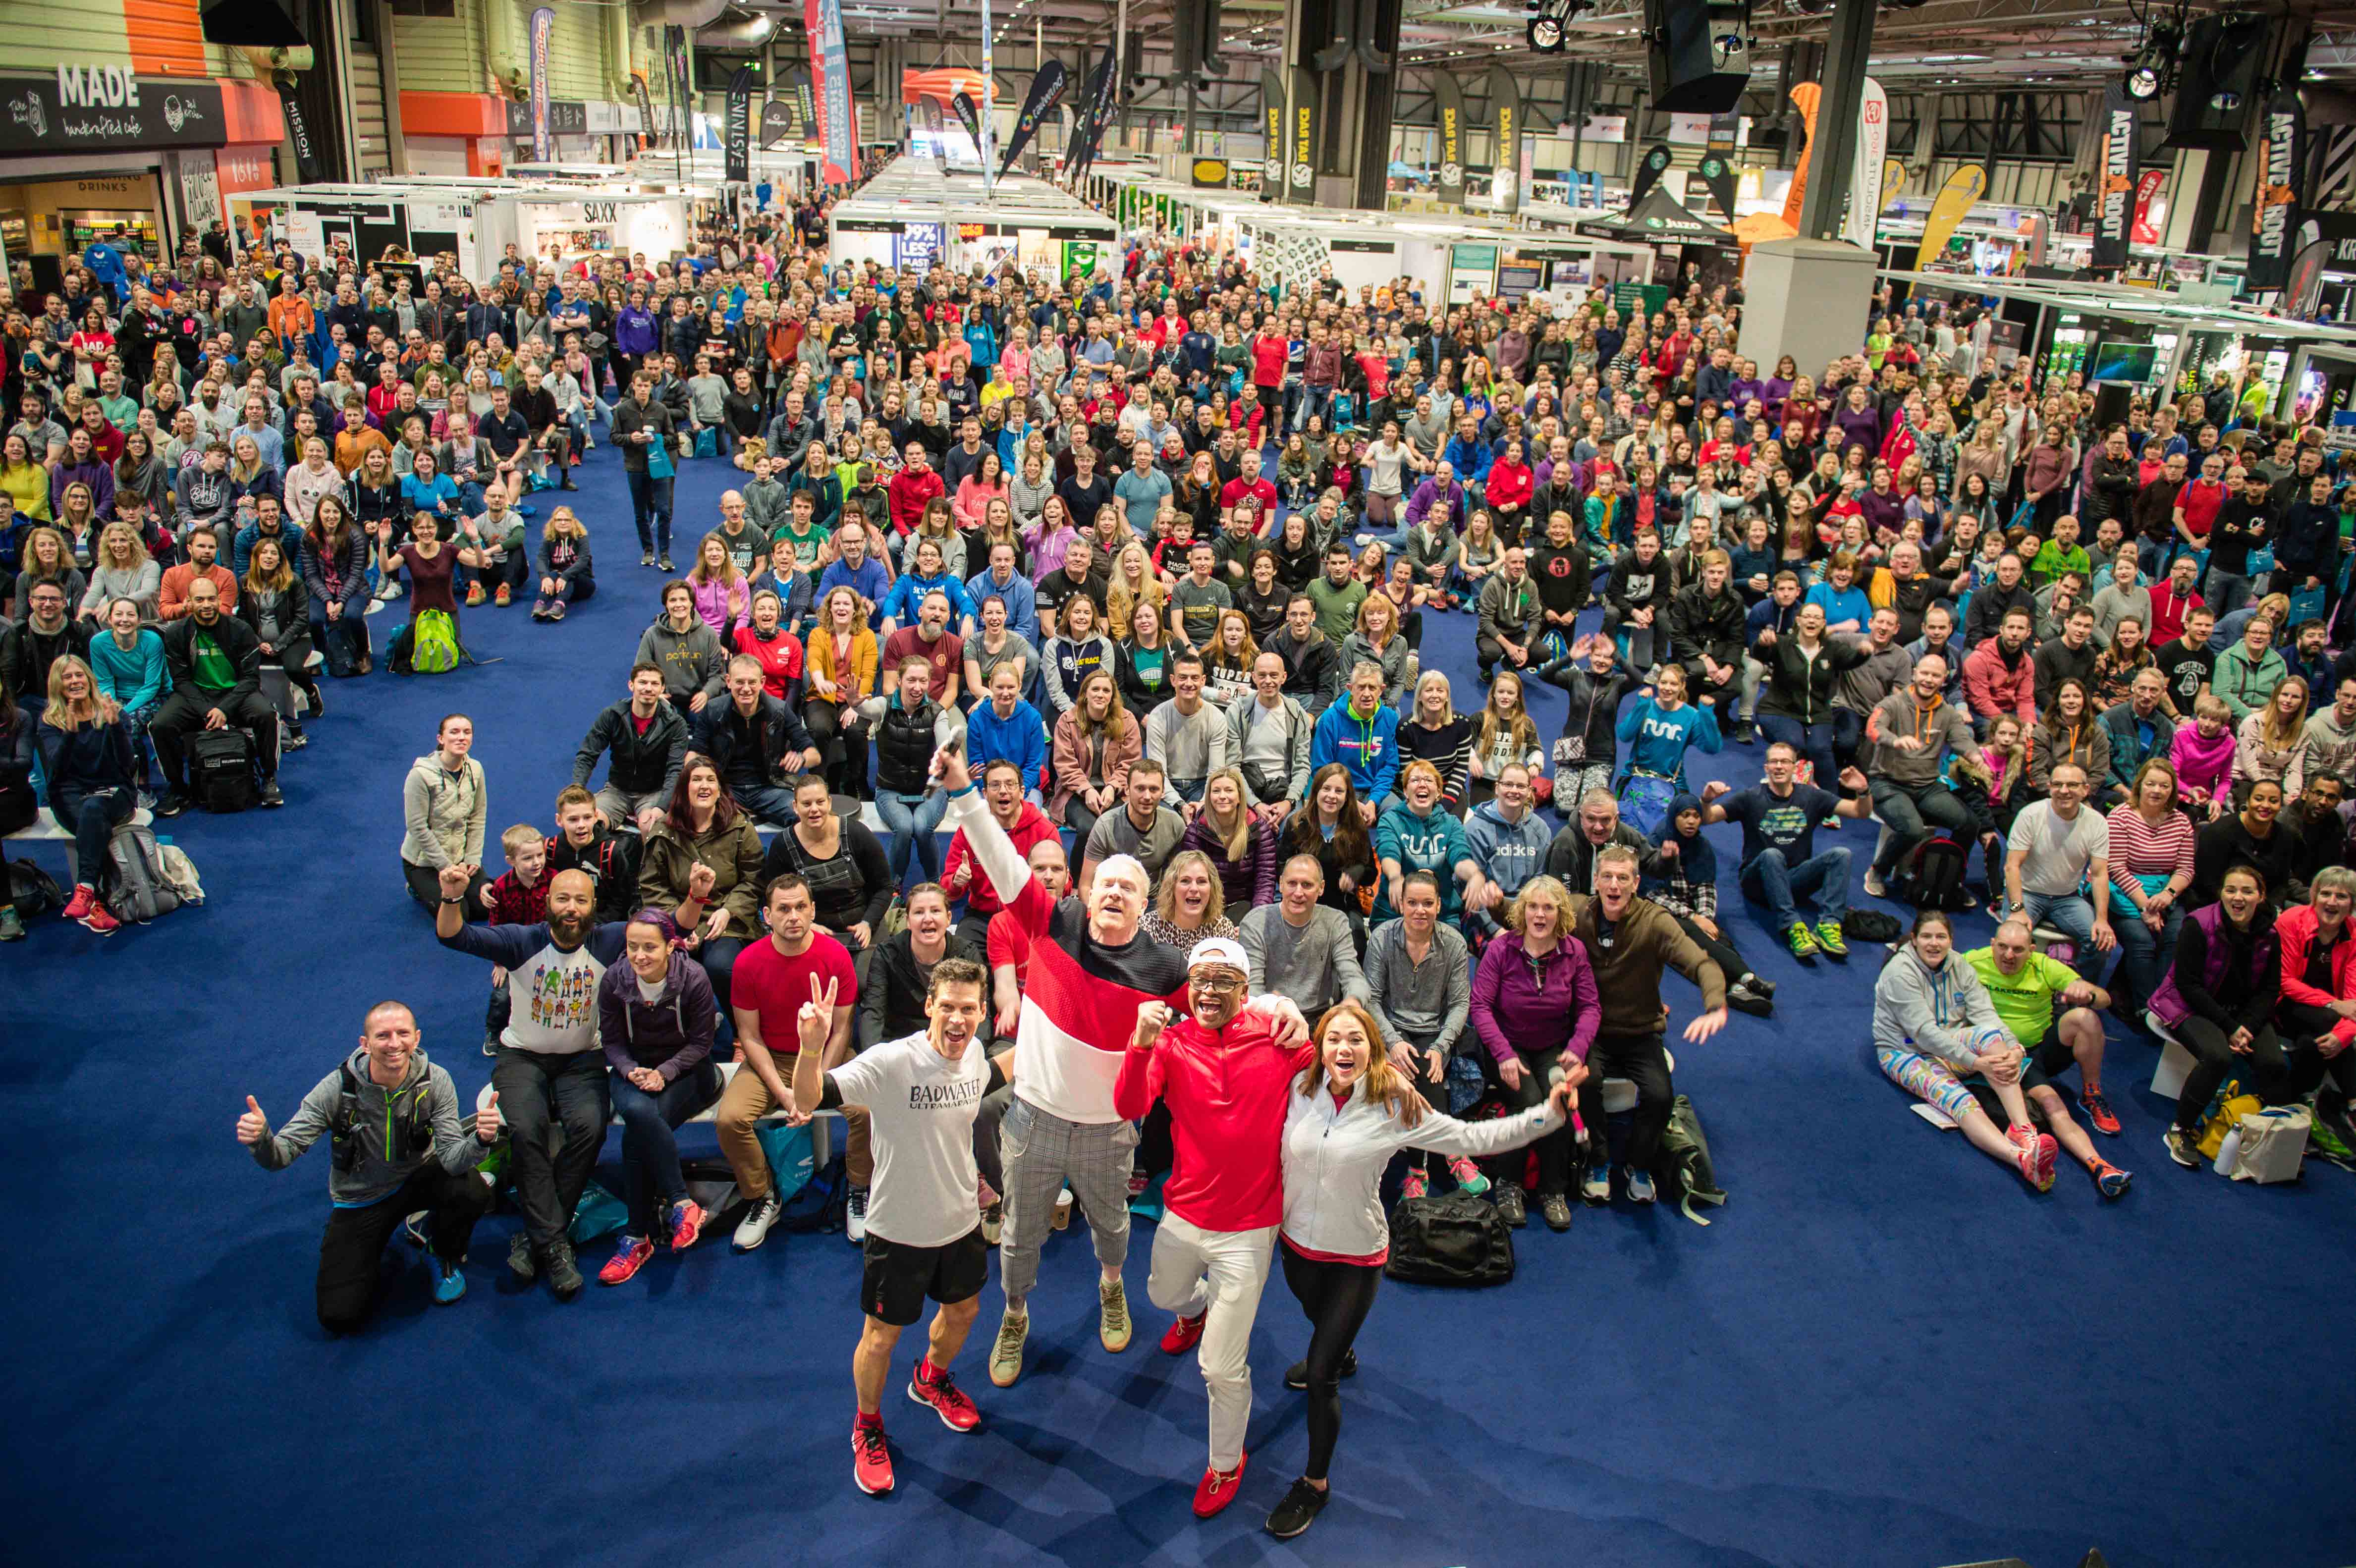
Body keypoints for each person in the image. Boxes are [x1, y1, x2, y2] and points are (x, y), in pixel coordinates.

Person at [936, 745, 1306, 1392]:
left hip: (1109, 1129)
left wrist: (1283, 1010)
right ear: (1088, 891)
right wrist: (963, 796)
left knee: (1111, 1230)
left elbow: (1223, 995)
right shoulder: (1050, 921)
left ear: (1143, 906)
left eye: (1127, 888)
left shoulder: (1163, 968)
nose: (1113, 892)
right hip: (1034, 1120)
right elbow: (1000, 861)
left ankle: (1112, 1288)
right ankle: (1015, 1315)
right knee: (1019, 1238)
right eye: (1105, 883)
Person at [1263, 997, 1577, 1539]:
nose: (1343, 1048)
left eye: (1356, 1040)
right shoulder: (1298, 1088)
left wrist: (1547, 1115)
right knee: (1322, 1329)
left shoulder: (1393, 1103)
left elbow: (1470, 1139)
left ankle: (1314, 1483)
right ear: (1319, 1047)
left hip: (1358, 1257)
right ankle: (1341, 1349)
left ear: (1372, 1049)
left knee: (1319, 1376)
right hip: (1297, 1250)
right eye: (1334, 1038)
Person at [1114, 937, 1312, 1520]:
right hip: (1183, 1213)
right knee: (1162, 1295)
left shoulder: (1277, 1039)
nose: (1208, 991)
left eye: (1224, 981)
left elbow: (1338, 1069)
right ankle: (1194, 1310)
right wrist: (1139, 1044)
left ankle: (1226, 1463)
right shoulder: (1171, 1044)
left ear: (1245, 992)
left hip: (1251, 1228)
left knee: (1220, 1367)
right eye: (1200, 980)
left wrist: (1296, 1015)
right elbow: (1129, 1105)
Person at [790, 955, 997, 1497]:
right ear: (929, 1006)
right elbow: (808, 1099)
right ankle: (868, 1425)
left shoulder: (976, 1055)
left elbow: (1010, 1067)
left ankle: (930, 1380)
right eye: (947, 1006)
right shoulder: (888, 1063)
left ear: (982, 1013)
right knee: (881, 1338)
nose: (957, 1019)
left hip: (961, 1223)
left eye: (968, 1009)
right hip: (898, 1230)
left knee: (964, 1312)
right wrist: (811, 1048)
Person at [236, 1001, 500, 1330]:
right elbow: (281, 1155)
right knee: (339, 1316)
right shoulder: (335, 1090)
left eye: (403, 1033)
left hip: (421, 1175)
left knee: (473, 1191)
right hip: (363, 1197)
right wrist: (262, 1140)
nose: (394, 1043)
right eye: (383, 1035)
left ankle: (440, 1248)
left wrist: (482, 1140)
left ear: (417, 1038)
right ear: (365, 1044)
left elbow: (451, 1159)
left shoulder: (437, 1080)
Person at [434, 864, 632, 1298]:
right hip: (522, 1057)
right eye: (563, 899)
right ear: (547, 903)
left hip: (583, 1060)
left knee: (590, 1128)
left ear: (593, 907)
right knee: (527, 1129)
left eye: (581, 900)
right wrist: (451, 896)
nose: (571, 908)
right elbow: (453, 936)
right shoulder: (521, 941)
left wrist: (696, 897)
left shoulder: (608, 940)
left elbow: (674, 927)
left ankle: (532, 1238)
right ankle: (555, 1246)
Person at [715, 873, 862, 1249]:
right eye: (783, 909)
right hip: (773, 1058)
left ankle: (859, 1190)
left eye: (800, 907)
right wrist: (784, 1093)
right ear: (767, 916)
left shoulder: (836, 956)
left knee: (866, 1111)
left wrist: (816, 1083)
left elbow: (842, 1030)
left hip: (828, 1057)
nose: (793, 916)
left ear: (813, 911)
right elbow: (749, 1036)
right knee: (731, 1120)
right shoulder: (748, 962)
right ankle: (764, 1196)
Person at [1871, 912, 2064, 1191]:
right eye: (1926, 936)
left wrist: (2015, 1048)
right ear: (1914, 939)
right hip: (1906, 1051)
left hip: (1949, 1040)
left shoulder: (1960, 965)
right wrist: (1976, 1062)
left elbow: (1986, 1014)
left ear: (1951, 940)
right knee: (1958, 1098)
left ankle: (2023, 1130)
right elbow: (1925, 1034)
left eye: (1941, 937)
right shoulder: (1899, 973)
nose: (1934, 943)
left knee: (1991, 1037)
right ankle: (2020, 1159)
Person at [593, 908, 724, 1285]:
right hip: (634, 1070)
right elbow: (612, 1042)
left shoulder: (694, 978)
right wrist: (629, 1069)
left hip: (689, 1071)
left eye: (649, 947)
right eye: (632, 946)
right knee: (639, 1116)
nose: (639, 956)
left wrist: (663, 1072)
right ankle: (682, 1203)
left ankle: (637, 1237)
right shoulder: (614, 980)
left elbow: (702, 1043)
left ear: (670, 946)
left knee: (638, 1130)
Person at [1467, 874, 1599, 1229]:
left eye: (1549, 908)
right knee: (1527, 1101)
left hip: (1552, 1046)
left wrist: (1577, 1048)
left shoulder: (1574, 951)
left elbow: (1590, 1007)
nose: (1540, 915)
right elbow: (1480, 1007)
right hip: (1505, 1046)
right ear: (1522, 912)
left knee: (1558, 1102)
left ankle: (1553, 1189)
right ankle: (1509, 1183)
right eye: (1533, 907)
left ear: (1561, 914)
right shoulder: (1500, 950)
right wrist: (1503, 1054)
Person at [1961, 921, 2132, 1192]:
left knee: (2085, 1018)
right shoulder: (1972, 961)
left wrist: (2087, 995)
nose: (2008, 956)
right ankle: (2098, 1167)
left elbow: (2104, 999)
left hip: (2035, 1053)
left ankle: (2094, 1113)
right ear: (1993, 945)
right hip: (1992, 1054)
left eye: (2018, 950)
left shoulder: (2044, 966)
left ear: (2032, 950)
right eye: (2003, 947)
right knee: (2052, 1105)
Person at [2149, 864, 2283, 1168]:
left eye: (2247, 891)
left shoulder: (2270, 934)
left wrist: (2248, 1026)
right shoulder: (2198, 924)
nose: (2238, 897)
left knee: (2273, 1063)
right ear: (2221, 894)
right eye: (2230, 890)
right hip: (2189, 1004)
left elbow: (2270, 989)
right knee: (2217, 1057)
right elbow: (2188, 985)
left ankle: (2265, 1133)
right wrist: (2230, 1027)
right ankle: (2180, 1129)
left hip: (2241, 1012)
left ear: (2261, 896)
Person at [1698, 745, 1873, 961]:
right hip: (1758, 883)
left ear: (1795, 767)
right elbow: (1707, 818)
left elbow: (1860, 812)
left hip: (1794, 881)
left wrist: (1863, 791)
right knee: (1772, 855)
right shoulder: (1750, 797)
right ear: (1766, 767)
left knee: (1841, 854)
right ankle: (1792, 926)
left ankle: (1829, 925)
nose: (1779, 766)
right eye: (1774, 762)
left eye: (1785, 762)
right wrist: (1706, 800)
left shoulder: (1812, 796)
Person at [150, 575, 281, 814]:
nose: (207, 605)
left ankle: (269, 777)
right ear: (189, 602)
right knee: (160, 725)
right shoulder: (176, 633)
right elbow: (181, 680)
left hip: (236, 693)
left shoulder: (241, 630)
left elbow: (251, 679)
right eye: (200, 600)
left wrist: (224, 709)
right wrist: (206, 710)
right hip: (196, 695)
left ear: (220, 600)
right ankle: (177, 786)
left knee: (266, 715)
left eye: (211, 599)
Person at [37, 656, 139, 934]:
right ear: (57, 685)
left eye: (79, 675)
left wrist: (115, 727)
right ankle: (96, 901)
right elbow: (56, 769)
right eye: (67, 677)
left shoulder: (113, 712)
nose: (75, 682)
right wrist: (70, 733)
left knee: (94, 809)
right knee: (92, 815)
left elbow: (127, 764)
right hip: (69, 794)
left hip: (113, 789)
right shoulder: (49, 722)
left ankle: (85, 890)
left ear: (89, 679)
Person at [1862, 654, 1977, 899]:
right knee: (1913, 830)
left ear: (1944, 680)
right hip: (1888, 783)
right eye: (1925, 673)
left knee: (1969, 824)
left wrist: (1975, 756)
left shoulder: (1948, 713)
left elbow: (1962, 739)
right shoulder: (1892, 703)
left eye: (1936, 675)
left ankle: (1951, 879)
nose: (1929, 679)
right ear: (1914, 673)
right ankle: (1878, 871)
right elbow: (1873, 729)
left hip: (1927, 787)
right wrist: (1895, 740)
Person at [760, 772, 895, 958]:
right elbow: (772, 899)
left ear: (830, 803)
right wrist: (808, 926)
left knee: (874, 972)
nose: (814, 809)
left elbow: (885, 887)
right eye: (807, 804)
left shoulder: (857, 834)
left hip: (862, 927)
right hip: (809, 932)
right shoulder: (782, 846)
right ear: (795, 807)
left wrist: (868, 923)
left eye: (820, 802)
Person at [690, 654, 821, 826]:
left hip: (770, 788)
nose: (746, 689)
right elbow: (695, 752)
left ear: (762, 682)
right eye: (740, 682)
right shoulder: (713, 710)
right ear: (729, 682)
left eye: (752, 682)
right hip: (726, 788)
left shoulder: (780, 710)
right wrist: (697, 779)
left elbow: (814, 755)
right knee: (703, 816)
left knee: (802, 814)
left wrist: (802, 759)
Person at [1241, 854, 1370, 1019]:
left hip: (1319, 1017)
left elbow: (1354, 977)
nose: (1298, 892)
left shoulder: (1335, 922)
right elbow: (1252, 990)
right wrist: (1278, 1009)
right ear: (1281, 884)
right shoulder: (1255, 923)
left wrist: (1351, 1004)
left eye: (1307, 885)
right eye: (1292, 884)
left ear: (1321, 888)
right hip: (1271, 1015)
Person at [573, 663, 688, 835]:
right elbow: (588, 755)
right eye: (643, 682)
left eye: (655, 684)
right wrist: (577, 791)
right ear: (631, 685)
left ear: (662, 688)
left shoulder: (676, 724)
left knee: (650, 827)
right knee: (590, 826)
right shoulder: (612, 716)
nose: (648, 688)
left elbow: (675, 770)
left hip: (654, 793)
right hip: (616, 791)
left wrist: (662, 807)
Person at [399, 713, 488, 913]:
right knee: (459, 915)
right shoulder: (420, 776)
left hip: (460, 858)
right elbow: (417, 827)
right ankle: (416, 887)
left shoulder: (476, 769)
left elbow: (478, 816)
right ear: (441, 739)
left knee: (485, 907)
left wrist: (473, 857)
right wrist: (446, 866)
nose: (461, 737)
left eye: (467, 732)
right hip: (424, 863)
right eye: (454, 732)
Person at [636, 579, 730, 714]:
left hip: (700, 698)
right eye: (673, 600)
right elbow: (641, 672)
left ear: (691, 603)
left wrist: (706, 694)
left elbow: (719, 675)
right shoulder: (652, 635)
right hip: (666, 700)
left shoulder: (709, 634)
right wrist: (655, 695)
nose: (678, 605)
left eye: (683, 599)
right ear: (666, 605)